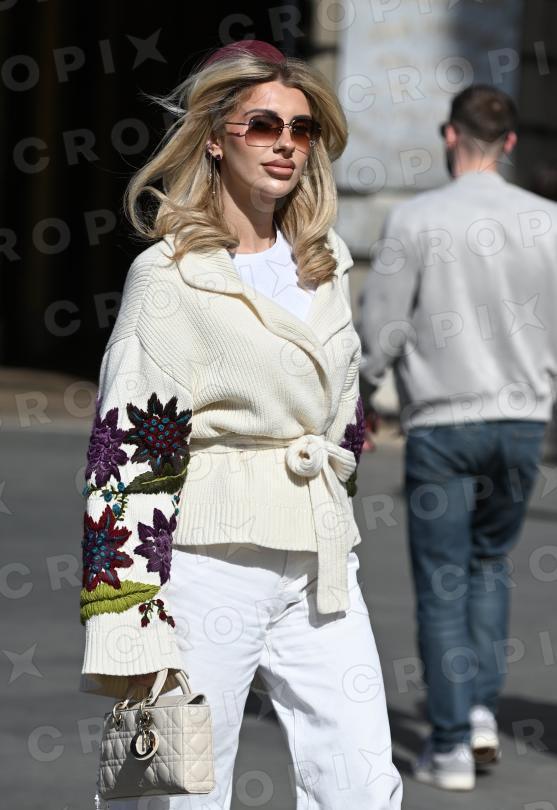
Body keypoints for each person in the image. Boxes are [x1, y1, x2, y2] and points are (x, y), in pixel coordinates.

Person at [79, 39, 403, 810]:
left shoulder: (325, 262)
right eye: (262, 124)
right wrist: (128, 617)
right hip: (207, 563)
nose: (285, 142)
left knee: (363, 782)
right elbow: (127, 456)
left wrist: (337, 487)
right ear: (217, 139)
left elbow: (343, 409)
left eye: (301, 128)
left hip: (319, 558)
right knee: (189, 786)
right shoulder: (170, 275)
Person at [358, 83, 557, 791]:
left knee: (443, 583)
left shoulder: (416, 219)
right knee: (490, 562)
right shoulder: (549, 221)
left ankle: (446, 747)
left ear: (449, 135)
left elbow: (381, 328)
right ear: (509, 143)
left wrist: (365, 392)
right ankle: (477, 713)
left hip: (442, 422)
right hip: (522, 421)